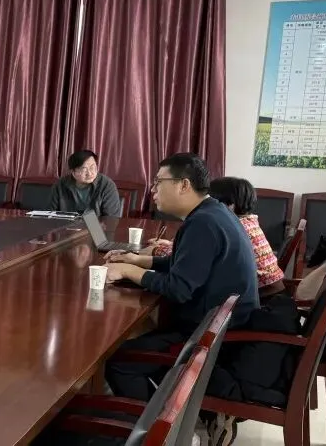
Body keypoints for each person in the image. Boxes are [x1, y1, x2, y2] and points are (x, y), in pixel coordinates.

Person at [103, 153, 258, 446]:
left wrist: (128, 271)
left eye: (158, 182)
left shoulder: (202, 223)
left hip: (211, 335)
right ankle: (163, 422)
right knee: (141, 336)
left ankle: (161, 435)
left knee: (121, 360)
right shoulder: (212, 212)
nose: (153, 190)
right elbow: (186, 265)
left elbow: (180, 287)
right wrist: (139, 261)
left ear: (184, 185)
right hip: (223, 324)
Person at [151, 177, 285, 298]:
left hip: (259, 298)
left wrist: (156, 250)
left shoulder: (230, 226)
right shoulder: (248, 222)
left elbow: (190, 258)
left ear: (229, 205)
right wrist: (170, 244)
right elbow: (205, 250)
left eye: (213, 201)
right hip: (263, 291)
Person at [46, 150, 122, 216]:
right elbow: (50, 214)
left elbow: (111, 218)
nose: (89, 173)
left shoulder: (106, 185)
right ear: (73, 172)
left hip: (96, 227)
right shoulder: (60, 185)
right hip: (65, 226)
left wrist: (95, 227)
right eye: (84, 169)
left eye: (92, 168)